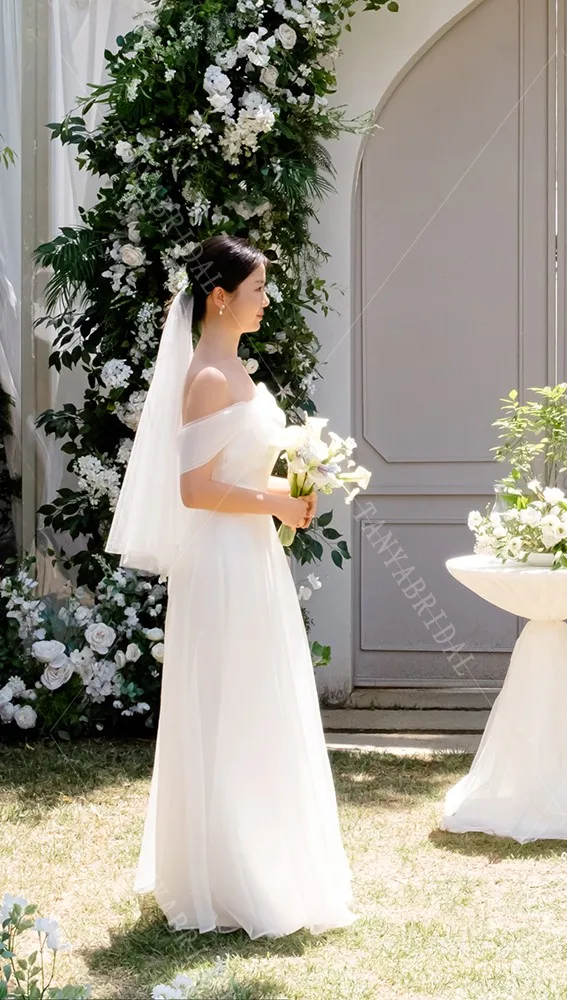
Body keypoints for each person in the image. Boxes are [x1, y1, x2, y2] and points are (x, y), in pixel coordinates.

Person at [107, 234, 355, 938]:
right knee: (230, 698)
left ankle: (262, 853)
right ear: (221, 297)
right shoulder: (207, 378)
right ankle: (227, 871)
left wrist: (286, 490)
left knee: (257, 696)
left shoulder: (230, 366)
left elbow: (233, 476)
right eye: (257, 291)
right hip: (220, 561)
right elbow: (194, 490)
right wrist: (275, 503)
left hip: (250, 556)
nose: (266, 301)